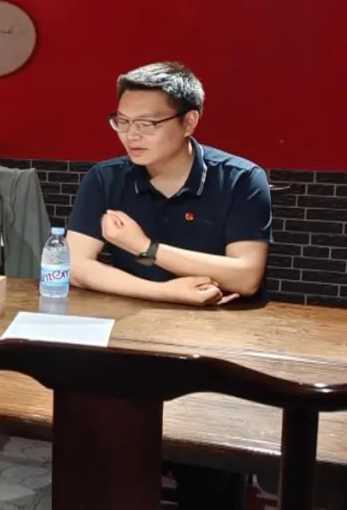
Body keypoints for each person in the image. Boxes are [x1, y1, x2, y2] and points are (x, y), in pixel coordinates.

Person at [67, 61, 271, 510]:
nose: (131, 135)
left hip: (215, 350)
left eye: (148, 123)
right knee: (102, 463)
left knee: (210, 472)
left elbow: (246, 274)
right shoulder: (106, 178)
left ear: (189, 121)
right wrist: (167, 291)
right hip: (127, 341)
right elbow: (77, 266)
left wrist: (146, 248)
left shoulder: (240, 179)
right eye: (122, 121)